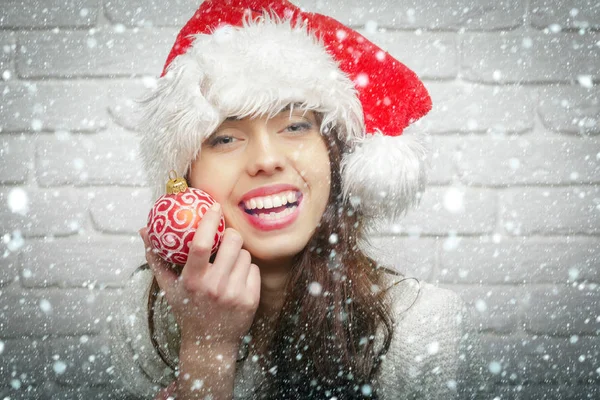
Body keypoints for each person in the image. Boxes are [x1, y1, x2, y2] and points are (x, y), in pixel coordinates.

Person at [109, 0, 487, 399]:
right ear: (184, 179)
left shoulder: (424, 327)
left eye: (294, 126)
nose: (267, 160)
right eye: (224, 138)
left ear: (335, 157)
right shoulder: (146, 319)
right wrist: (206, 346)